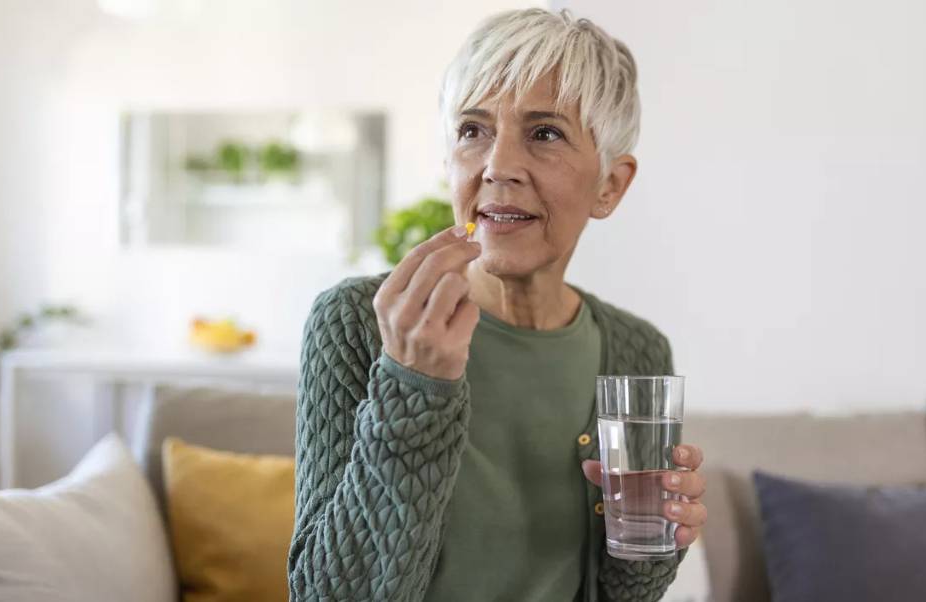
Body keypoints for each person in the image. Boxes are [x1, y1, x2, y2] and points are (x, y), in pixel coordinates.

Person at [288, 8, 708, 601]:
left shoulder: (637, 349)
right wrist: (412, 384)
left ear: (610, 184)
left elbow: (621, 596)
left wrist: (660, 539)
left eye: (545, 133)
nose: (498, 166)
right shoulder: (359, 321)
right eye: (472, 130)